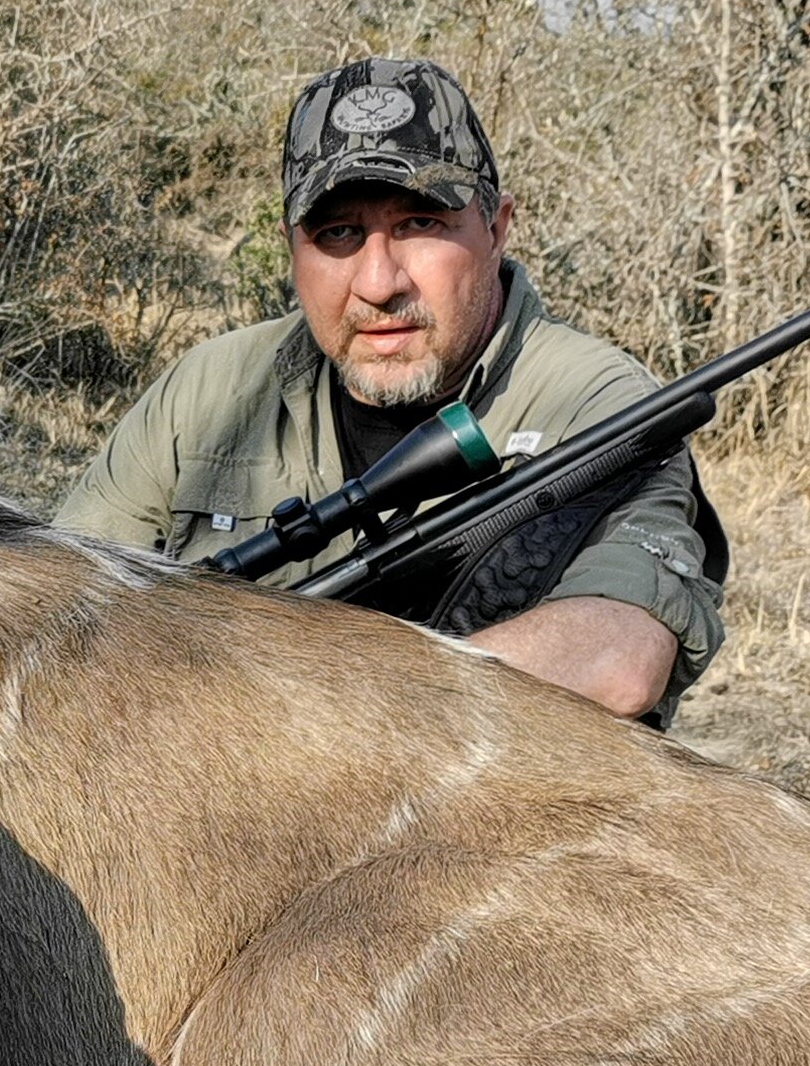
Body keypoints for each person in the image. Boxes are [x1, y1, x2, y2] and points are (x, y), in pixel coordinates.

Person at [55, 55, 725, 723]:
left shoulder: (597, 401)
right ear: (292, 248)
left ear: (496, 230)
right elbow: (57, 615)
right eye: (338, 233)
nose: (379, 283)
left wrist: (306, 701)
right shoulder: (209, 392)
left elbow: (620, 659)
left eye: (420, 224)